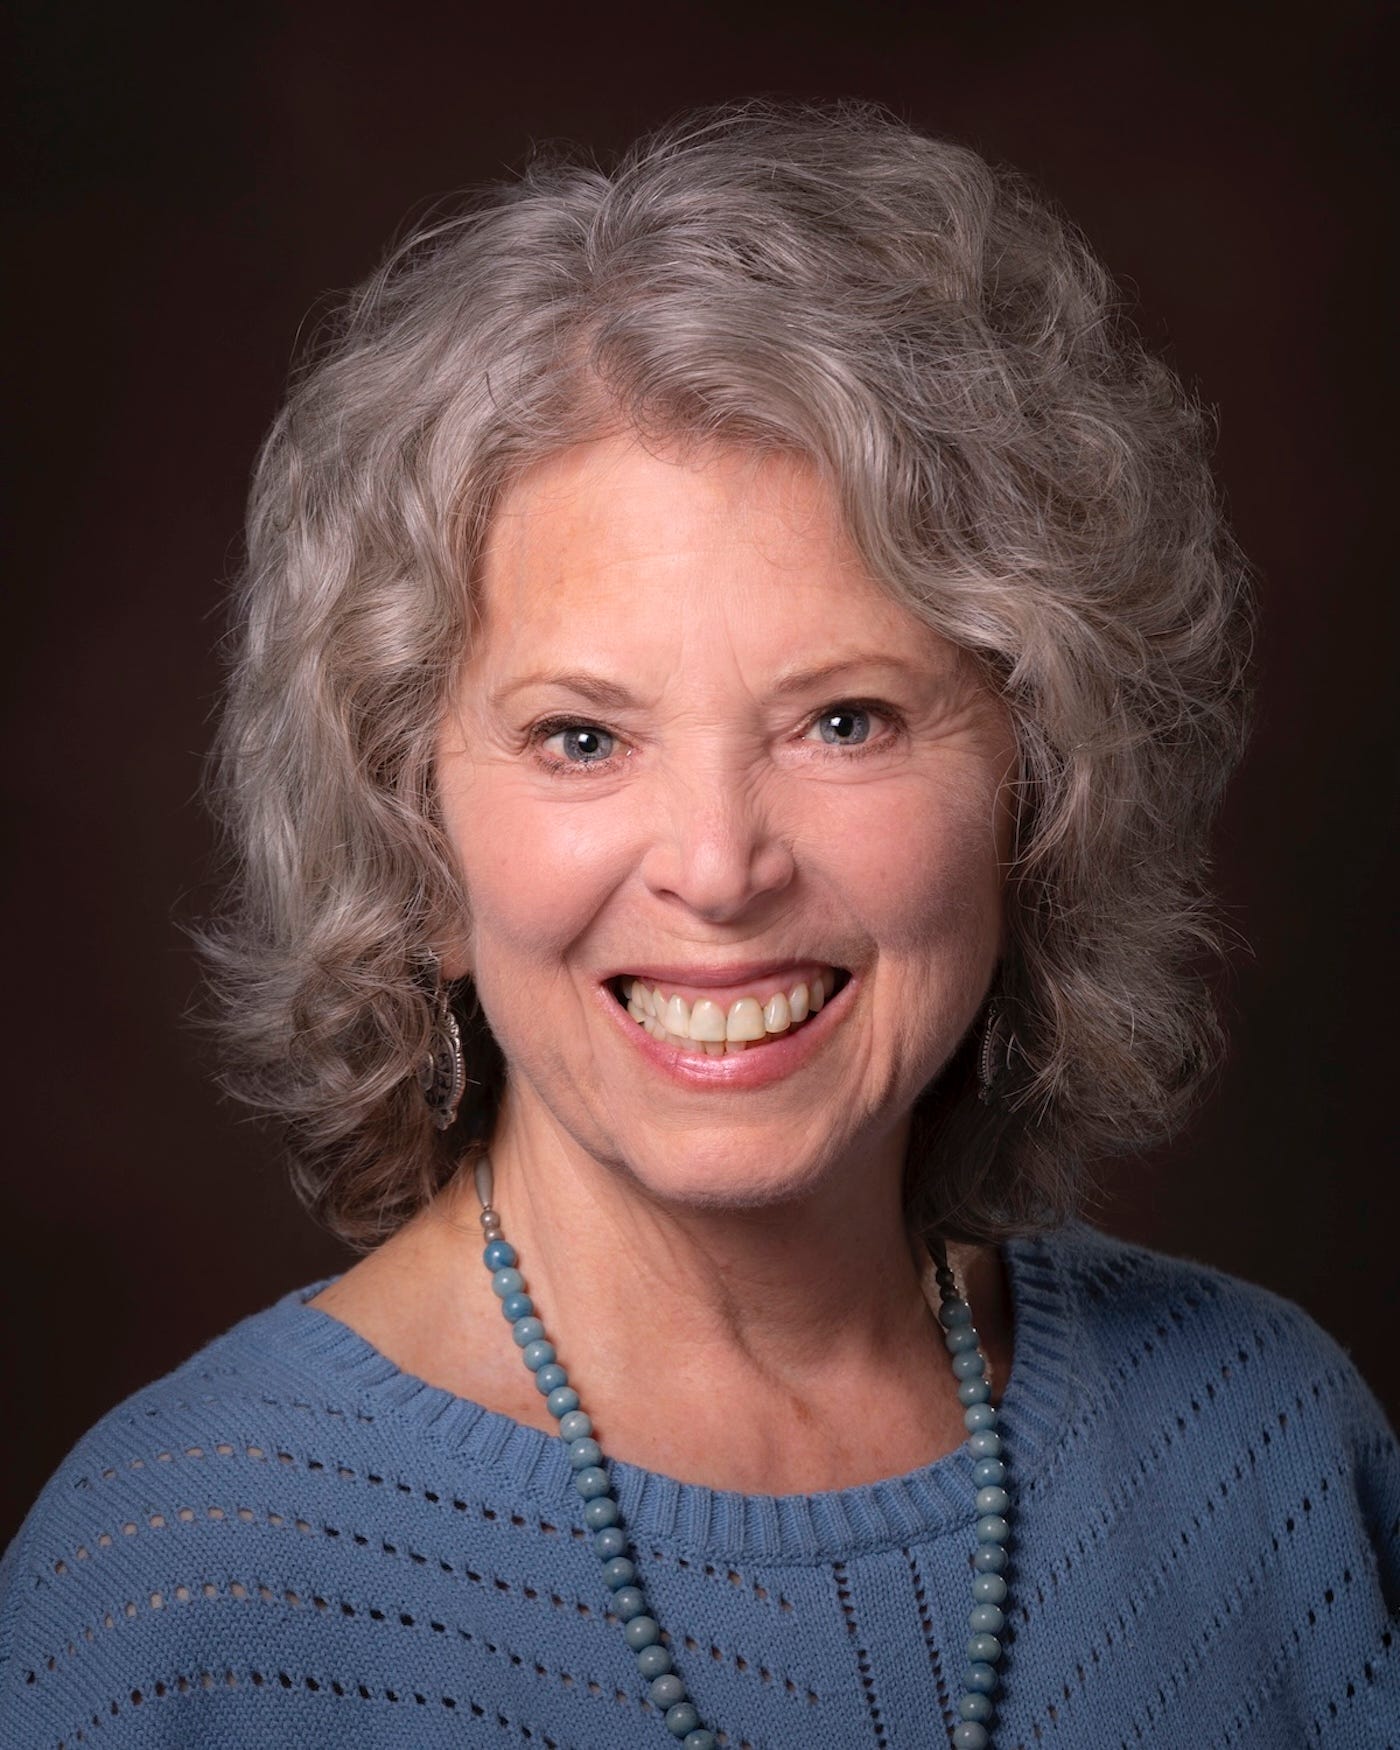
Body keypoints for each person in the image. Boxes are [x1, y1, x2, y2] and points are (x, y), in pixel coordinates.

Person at [2, 100, 1394, 1750]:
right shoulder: (172, 1592)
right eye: (582, 737)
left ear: (1041, 789)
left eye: (846, 720)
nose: (721, 867)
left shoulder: (1275, 1454)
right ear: (415, 840)